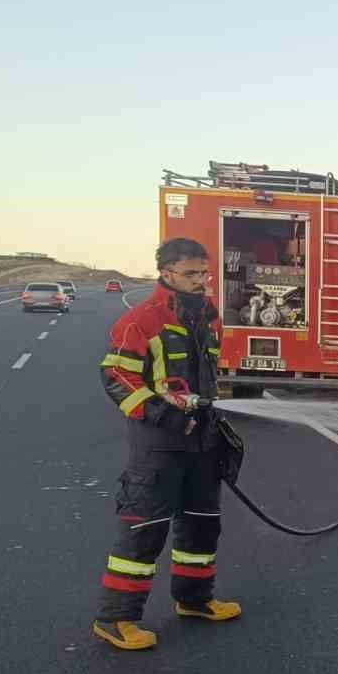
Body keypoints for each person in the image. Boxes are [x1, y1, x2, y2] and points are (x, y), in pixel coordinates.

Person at [92, 238, 241, 650]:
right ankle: (116, 618)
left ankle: (195, 600)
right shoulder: (142, 320)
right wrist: (162, 414)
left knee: (201, 524)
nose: (202, 281)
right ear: (167, 273)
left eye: (205, 273)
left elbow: (207, 376)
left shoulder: (209, 318)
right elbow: (117, 378)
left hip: (202, 442)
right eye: (192, 273)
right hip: (158, 444)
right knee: (145, 530)